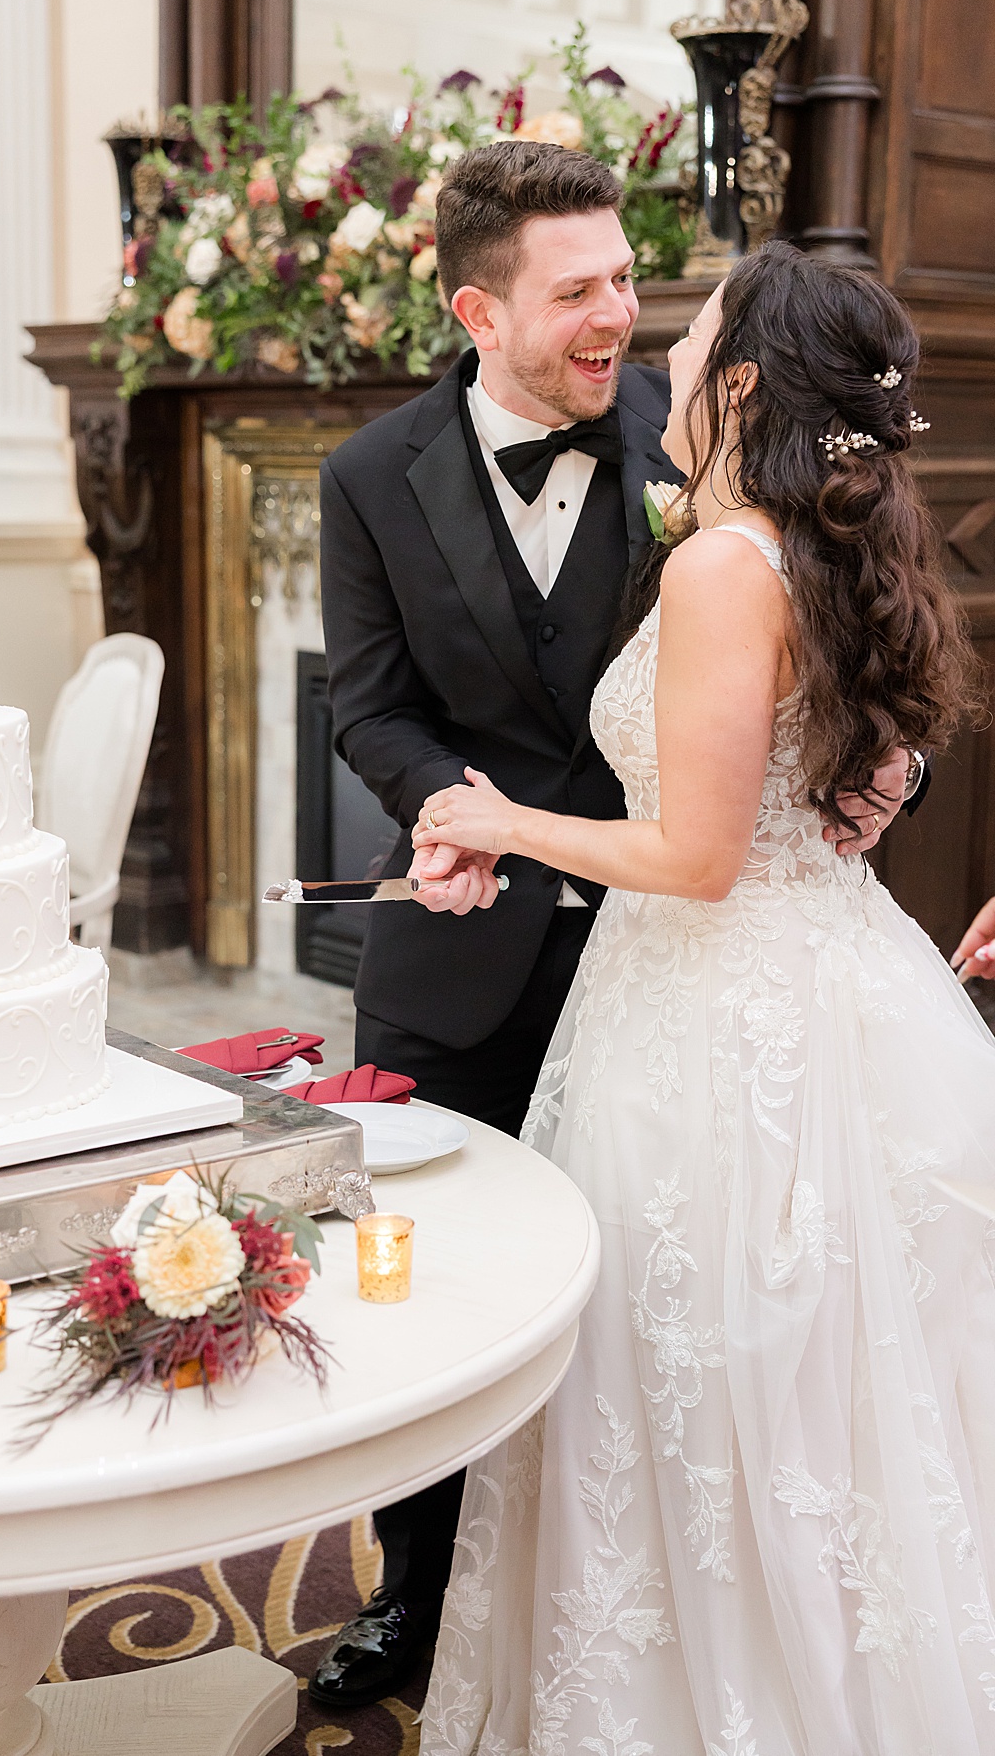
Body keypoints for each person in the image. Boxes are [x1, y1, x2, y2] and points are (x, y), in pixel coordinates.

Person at [314, 141, 916, 1707]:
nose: (621, 319)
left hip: (682, 969)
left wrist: (884, 763)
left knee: (697, 1337)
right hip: (469, 943)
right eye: (579, 291)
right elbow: (369, 708)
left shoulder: (715, 425)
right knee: (440, 1282)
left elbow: (848, 628)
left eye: (632, 281)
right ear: (476, 308)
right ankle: (423, 1597)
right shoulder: (369, 476)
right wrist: (449, 810)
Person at [408, 240, 995, 1752]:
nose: (658, 350)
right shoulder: (797, 542)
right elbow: (820, 764)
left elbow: (699, 854)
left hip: (731, 1024)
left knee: (708, 1381)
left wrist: (498, 822)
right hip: (814, 993)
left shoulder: (729, 564)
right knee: (818, 1397)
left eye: (690, 331)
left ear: (736, 385)